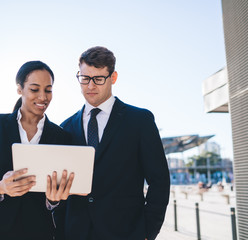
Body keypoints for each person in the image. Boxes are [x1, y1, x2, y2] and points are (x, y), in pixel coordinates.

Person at [58, 46, 170, 240]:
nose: (90, 86)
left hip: (126, 233)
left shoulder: (140, 121)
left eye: (98, 79)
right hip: (75, 233)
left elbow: (159, 181)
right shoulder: (65, 128)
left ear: (113, 77)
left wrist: (147, 232)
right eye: (85, 78)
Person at [0, 61, 74, 240]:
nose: (42, 97)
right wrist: (0, 186)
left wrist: (53, 200)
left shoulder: (61, 137)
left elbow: (61, 199)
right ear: (19, 89)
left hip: (38, 231)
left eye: (48, 90)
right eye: (34, 89)